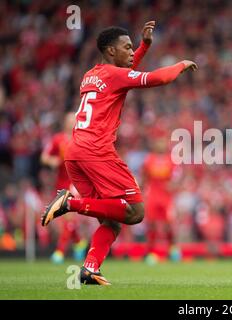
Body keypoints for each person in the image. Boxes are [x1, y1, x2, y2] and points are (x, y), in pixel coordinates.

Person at [41, 21, 197, 285]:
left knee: (111, 220)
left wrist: (145, 45)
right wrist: (180, 64)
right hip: (97, 152)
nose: (131, 50)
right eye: (127, 47)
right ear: (111, 51)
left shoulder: (92, 74)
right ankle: (69, 204)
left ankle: (90, 269)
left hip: (76, 153)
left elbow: (125, 71)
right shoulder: (113, 76)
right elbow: (159, 78)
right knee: (135, 211)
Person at [40, 112, 87, 264]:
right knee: (67, 218)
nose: (72, 122)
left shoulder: (81, 139)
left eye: (74, 119)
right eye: (69, 119)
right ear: (65, 122)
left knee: (68, 215)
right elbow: (44, 157)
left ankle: (60, 251)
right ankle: (79, 242)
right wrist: (52, 160)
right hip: (61, 182)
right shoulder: (58, 139)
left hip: (76, 182)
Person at [141, 129, 180, 265]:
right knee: (151, 225)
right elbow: (144, 178)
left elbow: (176, 178)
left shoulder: (171, 160)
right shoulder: (149, 160)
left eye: (163, 141)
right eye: (159, 141)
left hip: (166, 197)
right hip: (152, 196)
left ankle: (172, 249)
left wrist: (173, 186)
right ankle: (150, 252)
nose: (161, 144)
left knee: (169, 225)